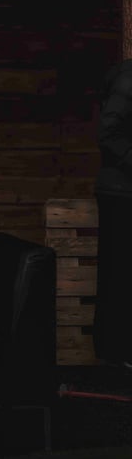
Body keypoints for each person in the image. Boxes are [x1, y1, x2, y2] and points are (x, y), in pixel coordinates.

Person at [93, 59, 132, 370]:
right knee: (120, 271)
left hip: (122, 191)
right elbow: (108, 133)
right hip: (121, 194)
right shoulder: (129, 80)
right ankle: (118, 353)